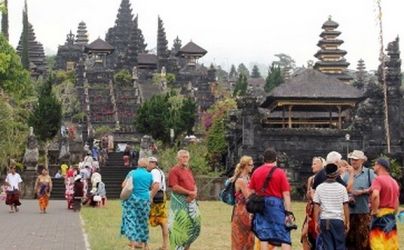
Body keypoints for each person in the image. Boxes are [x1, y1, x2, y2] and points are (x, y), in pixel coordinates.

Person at [248, 148, 294, 250]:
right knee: (284, 235)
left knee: (264, 235)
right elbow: (286, 194)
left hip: (261, 205)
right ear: (276, 159)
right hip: (276, 205)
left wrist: (252, 211)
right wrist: (288, 213)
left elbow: (251, 192)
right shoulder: (280, 173)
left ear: (264, 159)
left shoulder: (256, 172)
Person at [168, 150, 201, 250]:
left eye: (187, 157)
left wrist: (194, 192)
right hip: (180, 203)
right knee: (180, 230)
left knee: (195, 227)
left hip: (191, 202)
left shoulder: (188, 170)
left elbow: (193, 184)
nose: (185, 159)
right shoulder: (174, 170)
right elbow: (174, 187)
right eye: (183, 157)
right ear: (178, 158)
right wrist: (189, 193)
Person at [342, 150, 375, 250]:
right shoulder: (346, 174)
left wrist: (363, 191)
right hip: (349, 213)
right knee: (349, 242)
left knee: (364, 242)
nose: (353, 161)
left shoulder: (369, 173)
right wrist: (349, 195)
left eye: (356, 159)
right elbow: (341, 190)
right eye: (352, 159)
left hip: (364, 213)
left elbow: (376, 187)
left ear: (362, 161)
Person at [313, 163, 350, 250]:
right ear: (337, 174)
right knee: (340, 245)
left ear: (325, 174)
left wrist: (316, 222)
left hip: (324, 220)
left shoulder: (319, 188)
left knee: (327, 246)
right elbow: (345, 206)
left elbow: (316, 205)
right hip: (338, 220)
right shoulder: (342, 188)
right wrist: (347, 222)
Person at [120, 157, 153, 250]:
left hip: (132, 200)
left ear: (138, 164)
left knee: (131, 220)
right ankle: (144, 245)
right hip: (144, 200)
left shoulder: (132, 173)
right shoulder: (149, 175)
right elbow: (150, 186)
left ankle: (133, 245)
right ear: (147, 165)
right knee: (143, 222)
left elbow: (123, 185)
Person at [369, 158, 400, 250]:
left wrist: (374, 210)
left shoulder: (378, 179)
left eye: (375, 165)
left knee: (377, 241)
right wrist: (393, 213)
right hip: (391, 215)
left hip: (380, 213)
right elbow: (396, 201)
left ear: (379, 166)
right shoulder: (394, 182)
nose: (373, 167)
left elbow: (375, 195)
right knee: (390, 242)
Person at [301, 157, 325, 250]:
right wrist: (309, 194)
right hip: (310, 211)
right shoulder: (311, 179)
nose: (312, 166)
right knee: (304, 235)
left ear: (322, 165)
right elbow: (308, 197)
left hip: (319, 210)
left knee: (317, 236)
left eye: (315, 164)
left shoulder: (325, 178)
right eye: (312, 164)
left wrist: (313, 195)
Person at [231, 155, 255, 250]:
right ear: (245, 166)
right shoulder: (241, 180)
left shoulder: (248, 177)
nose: (252, 167)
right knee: (239, 241)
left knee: (250, 240)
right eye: (251, 165)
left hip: (249, 211)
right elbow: (249, 196)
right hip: (242, 212)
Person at [147, 156, 168, 250]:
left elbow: (156, 185)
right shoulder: (160, 171)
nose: (147, 165)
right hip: (162, 195)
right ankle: (165, 245)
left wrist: (150, 197)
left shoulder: (154, 172)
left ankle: (145, 244)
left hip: (156, 196)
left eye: (149, 163)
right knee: (163, 220)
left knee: (146, 218)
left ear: (153, 163)